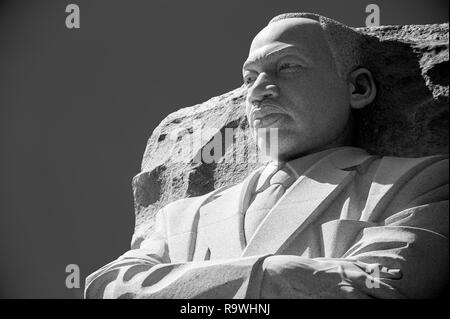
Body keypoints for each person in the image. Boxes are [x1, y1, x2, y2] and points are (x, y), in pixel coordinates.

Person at [85, 13, 448, 299]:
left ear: (357, 87)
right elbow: (108, 287)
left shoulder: (419, 183)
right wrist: (279, 275)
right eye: (249, 78)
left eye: (287, 66)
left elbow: (379, 286)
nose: (257, 93)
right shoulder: (180, 219)